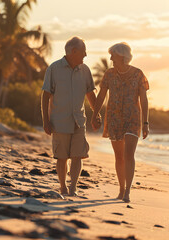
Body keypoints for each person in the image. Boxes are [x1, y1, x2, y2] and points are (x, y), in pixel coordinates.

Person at [41, 36, 99, 196]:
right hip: (59, 121)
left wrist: (96, 114)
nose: (85, 55)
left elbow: (91, 95)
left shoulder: (85, 70)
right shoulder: (54, 69)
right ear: (73, 51)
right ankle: (62, 186)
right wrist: (45, 120)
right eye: (83, 51)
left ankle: (72, 188)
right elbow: (45, 96)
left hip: (79, 121)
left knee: (77, 156)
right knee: (61, 157)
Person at [91, 42, 149, 202]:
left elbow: (144, 100)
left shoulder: (138, 74)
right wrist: (95, 114)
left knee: (128, 154)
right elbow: (101, 96)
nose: (110, 58)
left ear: (122, 56)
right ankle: (121, 189)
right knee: (119, 156)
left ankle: (128, 192)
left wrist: (146, 123)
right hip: (114, 118)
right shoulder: (109, 74)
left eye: (113, 55)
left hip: (133, 118)